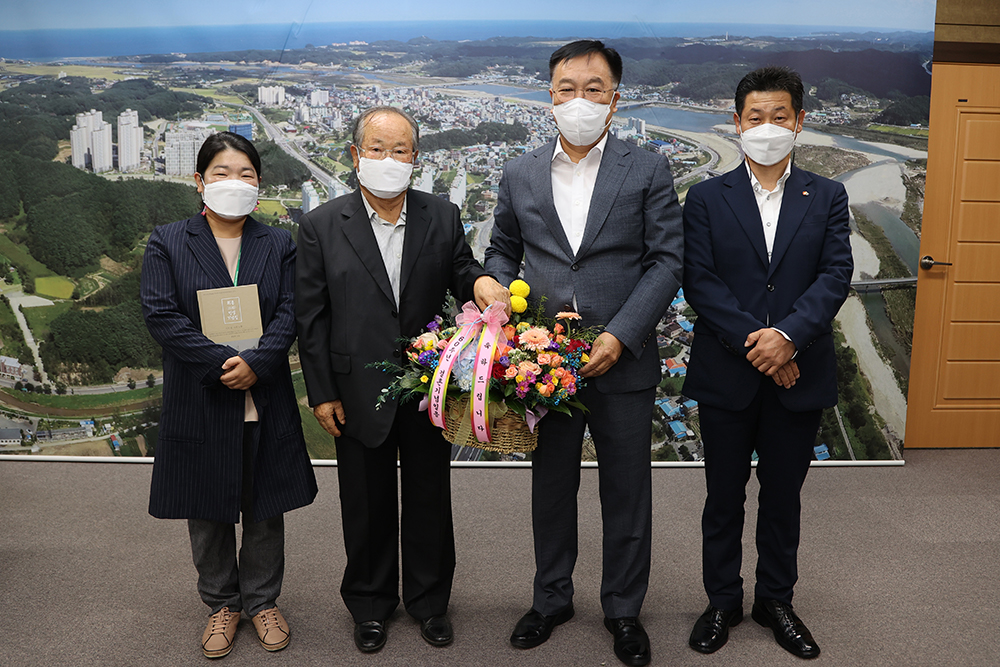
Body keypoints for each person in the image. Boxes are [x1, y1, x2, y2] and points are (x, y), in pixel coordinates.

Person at [485, 40, 683, 667]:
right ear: (550, 95)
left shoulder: (647, 168)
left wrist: (622, 333)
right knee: (551, 488)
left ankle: (624, 610)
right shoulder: (518, 172)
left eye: (594, 88)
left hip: (622, 358)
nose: (579, 100)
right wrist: (490, 280)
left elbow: (666, 260)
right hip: (543, 362)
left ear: (615, 98)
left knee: (627, 490)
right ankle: (551, 599)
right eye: (566, 87)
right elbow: (502, 249)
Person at [295, 106, 509, 654]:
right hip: (354, 388)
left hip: (425, 385)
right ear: (354, 155)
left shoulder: (442, 214)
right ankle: (370, 604)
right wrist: (321, 391)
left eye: (400, 151)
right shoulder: (321, 225)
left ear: (415, 157)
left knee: (429, 498)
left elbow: (463, 271)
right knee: (363, 503)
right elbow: (312, 317)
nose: (387, 161)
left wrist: (482, 281)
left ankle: (430, 602)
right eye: (376, 149)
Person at [681, 66, 853, 660]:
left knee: (784, 496)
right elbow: (700, 282)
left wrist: (788, 338)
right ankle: (722, 600)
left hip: (798, 370)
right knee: (722, 497)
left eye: (780, 116)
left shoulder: (828, 194)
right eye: (755, 117)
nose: (768, 127)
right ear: (736, 123)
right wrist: (763, 345)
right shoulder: (705, 197)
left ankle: (776, 600)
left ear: (800, 122)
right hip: (729, 372)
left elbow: (835, 276)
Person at [141, 131, 318, 659]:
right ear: (199, 181)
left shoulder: (278, 243)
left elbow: (290, 310)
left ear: (258, 185)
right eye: (221, 173)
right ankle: (222, 603)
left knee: (264, 504)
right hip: (203, 394)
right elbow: (161, 314)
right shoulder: (168, 241)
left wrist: (258, 364)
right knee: (208, 506)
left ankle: (263, 601)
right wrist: (222, 362)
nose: (233, 183)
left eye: (246, 175)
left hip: (262, 393)